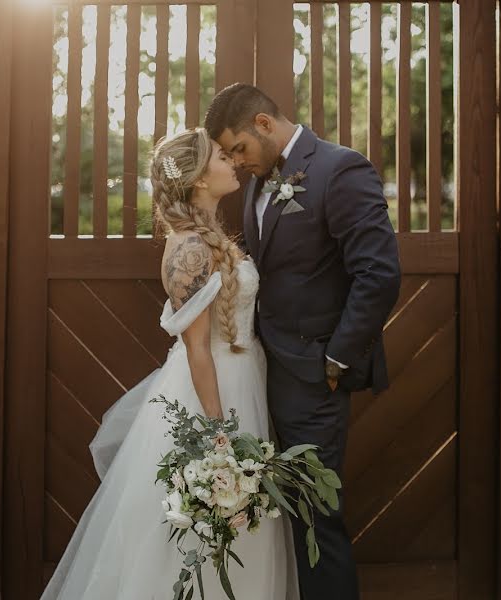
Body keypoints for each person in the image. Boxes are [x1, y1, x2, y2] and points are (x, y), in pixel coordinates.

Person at [39, 127, 299, 599]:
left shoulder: (211, 235)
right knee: (202, 533)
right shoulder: (190, 249)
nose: (233, 161)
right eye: (222, 155)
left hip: (244, 377)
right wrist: (219, 434)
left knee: (240, 528)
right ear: (200, 178)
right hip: (213, 392)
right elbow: (199, 348)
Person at [204, 83, 402, 600]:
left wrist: (335, 358)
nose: (237, 162)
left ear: (265, 125)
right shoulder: (258, 181)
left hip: (316, 377)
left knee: (317, 521)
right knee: (285, 517)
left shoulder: (341, 170)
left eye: (239, 149)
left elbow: (378, 274)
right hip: (267, 374)